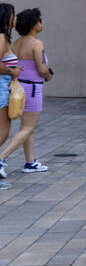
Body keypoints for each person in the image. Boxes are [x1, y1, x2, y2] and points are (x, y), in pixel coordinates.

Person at [0, 9, 52, 174]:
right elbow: (42, 69)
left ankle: (30, 162)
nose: (42, 23)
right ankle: (2, 159)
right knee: (28, 127)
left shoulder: (17, 42)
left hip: (18, 87)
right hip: (33, 88)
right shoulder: (37, 43)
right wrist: (49, 75)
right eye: (39, 20)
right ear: (33, 25)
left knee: (27, 126)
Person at [0, 4, 20, 185]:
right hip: (1, 86)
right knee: (3, 132)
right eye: (13, 16)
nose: (16, 19)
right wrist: (12, 72)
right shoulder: (0, 38)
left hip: (3, 86)